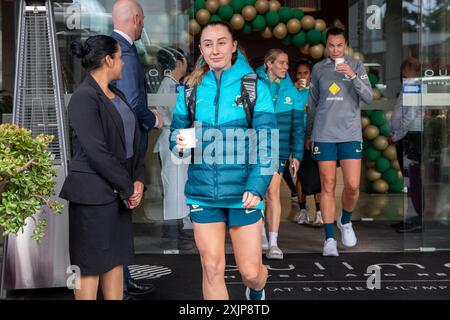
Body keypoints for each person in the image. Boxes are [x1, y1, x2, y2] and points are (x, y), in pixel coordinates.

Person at [170, 21, 277, 300]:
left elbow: (268, 143)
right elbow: (177, 139)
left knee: (251, 272)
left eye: (221, 43)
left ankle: (257, 288)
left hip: (244, 193)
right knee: (212, 268)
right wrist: (180, 144)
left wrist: (257, 186)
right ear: (201, 49)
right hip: (203, 192)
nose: (214, 50)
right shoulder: (190, 90)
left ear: (233, 46)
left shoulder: (254, 87)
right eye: (208, 44)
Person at [59, 35, 145, 300]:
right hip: (93, 197)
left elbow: (129, 141)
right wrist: (128, 186)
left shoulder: (115, 93)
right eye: (120, 57)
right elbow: (97, 153)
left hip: (117, 195)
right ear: (108, 60)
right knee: (89, 266)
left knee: (115, 260)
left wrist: (138, 178)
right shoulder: (83, 98)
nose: (123, 63)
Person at [305, 27, 373, 257]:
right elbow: (313, 104)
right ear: (326, 46)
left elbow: (369, 97)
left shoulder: (357, 66)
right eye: (331, 45)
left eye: (339, 45)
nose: (335, 50)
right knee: (328, 185)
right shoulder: (318, 69)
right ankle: (329, 238)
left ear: (345, 45)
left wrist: (352, 76)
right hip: (324, 134)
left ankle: (345, 221)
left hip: (350, 133)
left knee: (353, 186)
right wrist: (308, 133)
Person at [111, 0, 160, 299]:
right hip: (125, 146)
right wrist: (153, 117)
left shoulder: (115, 46)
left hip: (120, 144)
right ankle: (121, 285)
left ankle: (125, 279)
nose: (143, 26)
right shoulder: (124, 51)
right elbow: (131, 101)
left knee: (120, 216)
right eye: (142, 21)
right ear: (137, 18)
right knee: (118, 215)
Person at [256, 49, 305, 260]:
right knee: (257, 194)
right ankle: (260, 236)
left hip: (280, 146)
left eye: (287, 63)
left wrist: (297, 154)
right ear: (269, 63)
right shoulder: (252, 81)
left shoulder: (290, 89)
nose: (287, 67)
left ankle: (273, 243)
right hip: (255, 146)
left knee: (272, 193)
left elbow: (298, 124)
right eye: (282, 63)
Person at [153, 47, 193, 250]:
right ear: (178, 62)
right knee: (174, 188)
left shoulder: (174, 84)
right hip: (174, 136)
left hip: (179, 137)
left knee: (179, 186)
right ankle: (172, 233)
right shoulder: (170, 85)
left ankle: (177, 229)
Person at [388, 58, 423, 233]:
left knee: (412, 179)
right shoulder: (410, 86)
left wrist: (396, 135)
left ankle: (416, 217)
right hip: (407, 137)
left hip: (409, 137)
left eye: (404, 71)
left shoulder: (413, 87)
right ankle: (411, 216)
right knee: (410, 179)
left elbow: (409, 117)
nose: (402, 74)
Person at [294, 59, 323, 227]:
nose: (302, 76)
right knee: (301, 174)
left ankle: (319, 213)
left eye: (305, 73)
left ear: (311, 75)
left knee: (318, 174)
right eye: (299, 73)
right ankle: (303, 210)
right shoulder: (292, 91)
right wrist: (294, 90)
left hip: (315, 137)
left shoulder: (316, 91)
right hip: (298, 137)